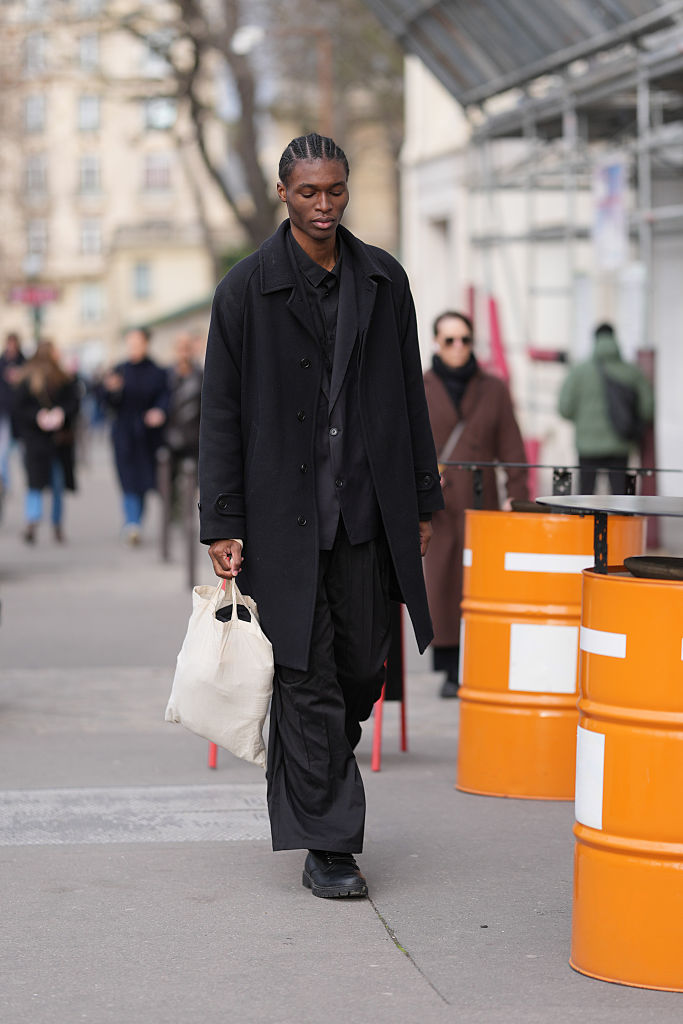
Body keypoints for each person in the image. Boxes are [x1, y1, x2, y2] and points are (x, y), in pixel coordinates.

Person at [199, 132, 443, 899]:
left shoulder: (383, 280)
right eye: (308, 192)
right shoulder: (245, 290)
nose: (324, 205)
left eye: (335, 190)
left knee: (360, 672)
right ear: (283, 193)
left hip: (368, 516)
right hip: (283, 523)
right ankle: (329, 846)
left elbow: (409, 394)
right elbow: (220, 413)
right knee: (305, 676)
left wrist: (422, 499)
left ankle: (309, 779)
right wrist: (222, 518)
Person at [423, 311, 529, 698]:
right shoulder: (420, 386)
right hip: (437, 506)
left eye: (464, 339)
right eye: (449, 340)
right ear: (436, 342)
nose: (458, 347)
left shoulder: (493, 389)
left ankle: (479, 661)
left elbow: (513, 451)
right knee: (441, 586)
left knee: (480, 585)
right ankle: (450, 668)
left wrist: (518, 505)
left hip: (483, 505)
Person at [558, 322, 654, 494]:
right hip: (620, 444)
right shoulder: (632, 371)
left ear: (594, 340)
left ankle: (586, 520)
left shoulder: (578, 372)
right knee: (620, 497)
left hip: (587, 447)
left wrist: (583, 420)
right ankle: (619, 521)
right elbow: (647, 409)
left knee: (585, 498)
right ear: (615, 339)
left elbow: (564, 408)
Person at [102, 327, 170, 544]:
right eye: (130, 343)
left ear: (146, 343)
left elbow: (165, 397)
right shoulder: (119, 370)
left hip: (147, 437)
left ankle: (135, 521)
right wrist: (113, 390)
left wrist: (159, 411)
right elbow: (106, 403)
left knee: (143, 481)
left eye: (137, 343)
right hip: (123, 435)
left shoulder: (157, 371)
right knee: (127, 480)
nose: (134, 348)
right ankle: (132, 522)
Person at [13, 340, 80, 544]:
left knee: (48, 484)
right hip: (37, 440)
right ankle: (40, 522)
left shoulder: (62, 378)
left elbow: (73, 403)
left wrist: (61, 414)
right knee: (38, 483)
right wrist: (38, 416)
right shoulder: (29, 379)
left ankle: (49, 523)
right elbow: (19, 408)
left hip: (55, 441)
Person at [165, 332, 203, 495]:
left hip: (195, 438)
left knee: (194, 483)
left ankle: (188, 517)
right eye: (180, 348)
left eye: (187, 348)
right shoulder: (167, 376)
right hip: (170, 437)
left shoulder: (201, 376)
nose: (183, 353)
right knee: (168, 484)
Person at [0, 331, 26, 494]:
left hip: (21, 414)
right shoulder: (1, 362)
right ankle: (4, 483)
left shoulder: (24, 362)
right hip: (4, 413)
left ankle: (27, 483)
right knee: (3, 453)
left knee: (23, 452)